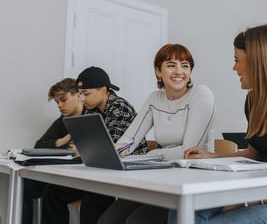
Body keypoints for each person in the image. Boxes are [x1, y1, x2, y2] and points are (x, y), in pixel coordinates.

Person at [169, 24, 267, 224]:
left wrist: (246, 200)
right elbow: (254, 153)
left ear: (258, 62)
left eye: (237, 60)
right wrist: (212, 156)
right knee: (183, 210)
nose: (234, 67)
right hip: (257, 186)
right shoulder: (253, 100)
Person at [98, 44, 216, 224]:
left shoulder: (201, 94)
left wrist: (151, 155)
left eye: (185, 65)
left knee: (137, 221)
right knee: (108, 220)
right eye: (171, 65)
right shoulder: (155, 98)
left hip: (194, 180)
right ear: (158, 71)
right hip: (163, 177)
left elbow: (190, 151)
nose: (179, 71)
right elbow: (130, 138)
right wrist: (112, 151)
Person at [41, 67, 147, 224]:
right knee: (53, 192)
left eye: (86, 94)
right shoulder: (91, 111)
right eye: (81, 94)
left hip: (125, 174)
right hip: (98, 174)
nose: (83, 99)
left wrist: (83, 148)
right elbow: (81, 146)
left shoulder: (119, 108)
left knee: (93, 197)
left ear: (103, 90)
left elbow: (110, 150)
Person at [22, 78, 86, 224]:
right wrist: (62, 141)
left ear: (78, 96)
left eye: (63, 100)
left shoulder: (92, 117)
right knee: (25, 186)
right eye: (57, 102)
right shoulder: (63, 120)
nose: (59, 105)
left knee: (51, 192)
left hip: (81, 177)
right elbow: (39, 145)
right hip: (60, 173)